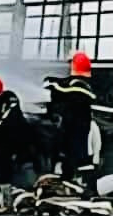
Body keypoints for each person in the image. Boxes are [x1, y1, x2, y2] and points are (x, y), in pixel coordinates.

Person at [42, 51, 100, 184]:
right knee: (72, 156)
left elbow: (68, 92)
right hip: (73, 129)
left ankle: (83, 184)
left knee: (78, 155)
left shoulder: (79, 88)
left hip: (77, 129)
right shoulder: (79, 85)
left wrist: (52, 85)